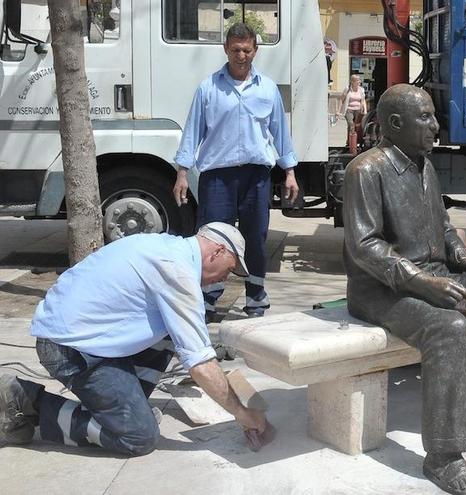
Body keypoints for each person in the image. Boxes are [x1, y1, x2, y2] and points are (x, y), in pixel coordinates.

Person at [343, 84, 466, 495]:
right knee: (448, 328)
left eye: (432, 116)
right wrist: (419, 281)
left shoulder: (424, 165)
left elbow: (444, 225)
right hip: (381, 289)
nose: (435, 125)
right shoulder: (366, 171)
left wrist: (464, 259)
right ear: (395, 124)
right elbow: (365, 246)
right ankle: (444, 455)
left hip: (433, 275)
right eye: (425, 117)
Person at [0, 223, 271, 455]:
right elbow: (199, 362)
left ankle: (123, 410)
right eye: (230, 269)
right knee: (139, 438)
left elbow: (190, 343)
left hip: (79, 335)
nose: (225, 278)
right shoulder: (177, 271)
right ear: (217, 252)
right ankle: (26, 399)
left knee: (172, 332)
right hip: (69, 348)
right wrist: (242, 413)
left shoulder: (164, 247)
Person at [172, 22, 298, 320]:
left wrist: (290, 171)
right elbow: (192, 132)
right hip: (218, 178)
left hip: (256, 177)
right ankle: (208, 299)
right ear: (225, 49)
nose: (241, 55)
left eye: (247, 50)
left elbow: (280, 133)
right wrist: (181, 173)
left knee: (255, 237)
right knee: (213, 240)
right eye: (235, 50)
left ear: (255, 50)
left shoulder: (267, 88)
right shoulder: (208, 88)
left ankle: (256, 297)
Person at [337, 74, 367, 140]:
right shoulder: (347, 89)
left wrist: (365, 110)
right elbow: (341, 99)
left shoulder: (361, 90)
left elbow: (363, 100)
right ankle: (351, 142)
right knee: (351, 124)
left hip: (358, 110)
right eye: (357, 80)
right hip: (349, 110)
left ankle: (355, 141)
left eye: (359, 80)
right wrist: (338, 111)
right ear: (352, 81)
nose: (359, 82)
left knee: (357, 126)